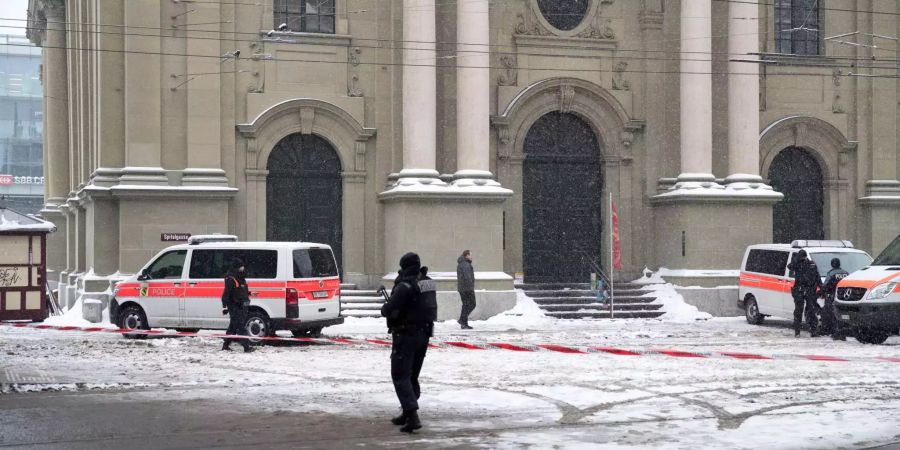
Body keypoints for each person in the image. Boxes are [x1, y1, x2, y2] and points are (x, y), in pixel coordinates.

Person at [381, 253, 435, 433]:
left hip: (406, 335)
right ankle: (406, 411)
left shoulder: (405, 285)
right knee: (411, 375)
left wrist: (387, 308)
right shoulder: (427, 282)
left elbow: (389, 309)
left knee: (400, 375)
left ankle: (412, 416)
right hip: (424, 334)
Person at [221, 258, 255, 353]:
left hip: (242, 305)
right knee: (240, 326)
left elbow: (240, 290)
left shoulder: (241, 278)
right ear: (237, 267)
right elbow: (226, 294)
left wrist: (249, 293)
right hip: (234, 306)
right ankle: (246, 346)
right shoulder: (231, 278)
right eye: (241, 266)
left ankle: (225, 345)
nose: (243, 268)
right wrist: (224, 307)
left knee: (233, 326)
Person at [787, 250, 823, 338]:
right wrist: (796, 259)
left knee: (811, 310)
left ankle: (813, 331)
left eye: (803, 257)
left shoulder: (812, 264)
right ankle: (797, 331)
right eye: (801, 257)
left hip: (810, 290)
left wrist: (821, 287)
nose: (802, 259)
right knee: (798, 310)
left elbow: (817, 276)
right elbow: (789, 266)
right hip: (799, 290)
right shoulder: (796, 264)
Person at [821, 257, 849, 340]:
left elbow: (825, 285)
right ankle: (843, 332)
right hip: (844, 297)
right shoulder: (846, 273)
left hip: (833, 296)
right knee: (843, 315)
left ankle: (836, 333)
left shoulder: (831, 273)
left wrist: (822, 292)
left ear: (832, 264)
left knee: (833, 315)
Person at [456, 250, 476, 329]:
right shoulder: (465, 264)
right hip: (467, 288)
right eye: (471, 255)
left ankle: (464, 323)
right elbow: (467, 277)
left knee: (466, 305)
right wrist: (471, 287)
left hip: (463, 288)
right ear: (466, 255)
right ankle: (462, 320)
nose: (472, 257)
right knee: (472, 304)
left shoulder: (462, 263)